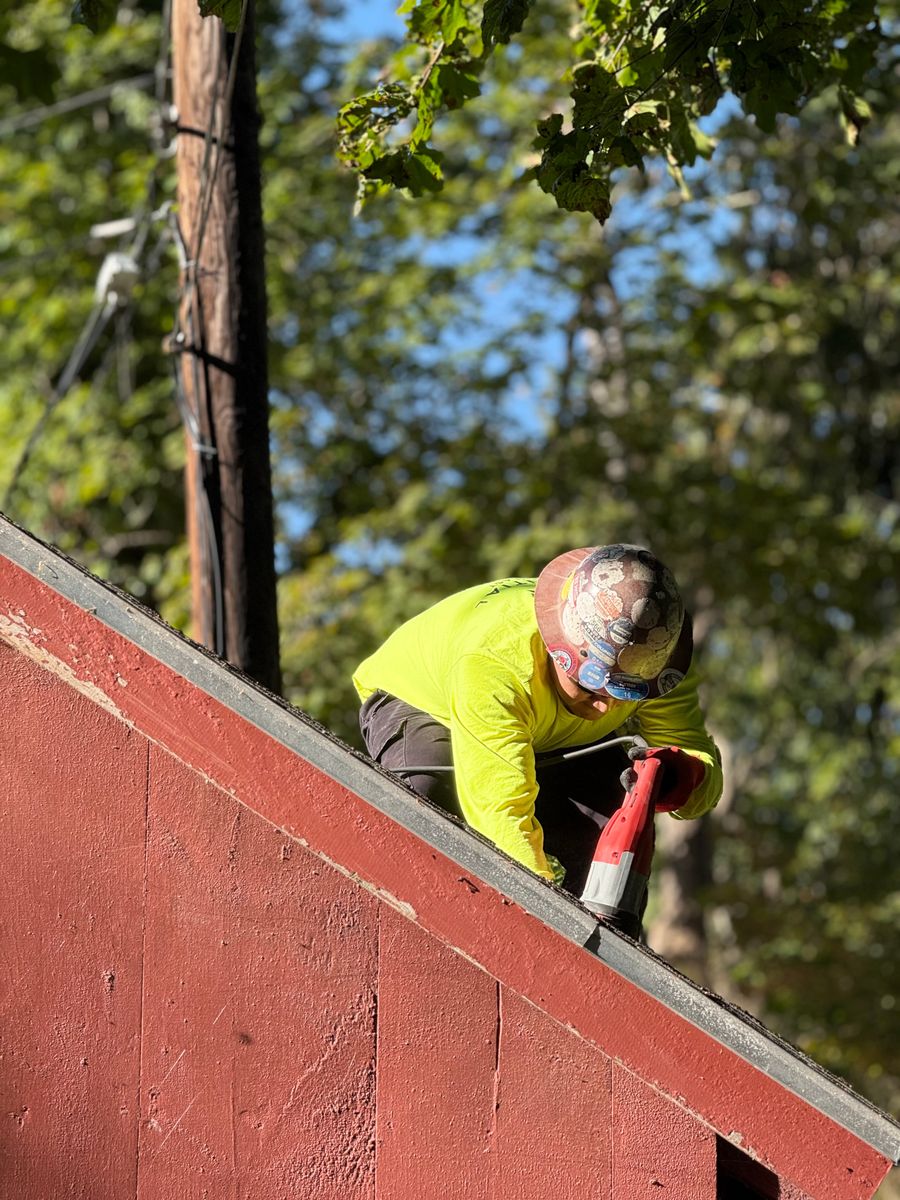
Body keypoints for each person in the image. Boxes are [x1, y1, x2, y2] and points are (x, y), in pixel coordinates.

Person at [353, 544, 722, 930]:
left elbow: (697, 760)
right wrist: (548, 933)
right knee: (428, 803)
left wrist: (680, 778)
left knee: (618, 821)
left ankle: (616, 946)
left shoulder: (657, 660)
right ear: (556, 648)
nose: (605, 708)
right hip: (424, 701)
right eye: (591, 685)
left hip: (539, 725)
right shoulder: (495, 663)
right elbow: (503, 819)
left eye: (626, 692)